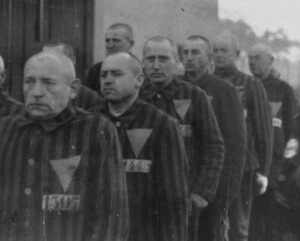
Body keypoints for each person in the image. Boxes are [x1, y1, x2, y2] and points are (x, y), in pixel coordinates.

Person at [0, 51, 129, 241]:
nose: (36, 92)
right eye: (29, 81)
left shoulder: (96, 130)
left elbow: (111, 215)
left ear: (73, 88)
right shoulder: (6, 128)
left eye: (48, 83)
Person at [93, 52, 188, 241]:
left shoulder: (162, 125)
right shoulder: (88, 123)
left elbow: (174, 198)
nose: (108, 80)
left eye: (117, 74)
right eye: (104, 75)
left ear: (139, 80)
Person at [140, 36, 225, 241]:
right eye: (150, 59)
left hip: (182, 198)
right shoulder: (136, 96)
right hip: (140, 198)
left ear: (176, 61)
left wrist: (201, 192)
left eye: (164, 58)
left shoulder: (194, 95)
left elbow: (214, 146)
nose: (157, 65)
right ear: (142, 63)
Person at [181, 35, 247, 241]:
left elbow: (235, 146)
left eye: (195, 52)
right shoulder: (175, 87)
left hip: (212, 190)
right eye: (185, 52)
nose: (189, 58)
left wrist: (225, 195)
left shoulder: (224, 90)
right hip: (180, 184)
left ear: (208, 57)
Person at [213, 31, 273, 241]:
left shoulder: (250, 85)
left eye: (224, 50)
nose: (219, 55)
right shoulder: (206, 85)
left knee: (239, 227)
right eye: (215, 51)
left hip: (243, 167)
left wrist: (263, 170)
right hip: (213, 166)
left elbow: (263, 130)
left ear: (237, 53)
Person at [248, 42, 299, 241]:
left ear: (271, 61)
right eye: (250, 58)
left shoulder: (283, 90)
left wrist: (288, 167)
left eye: (258, 58)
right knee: (251, 221)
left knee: (271, 223)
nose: (253, 62)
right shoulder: (245, 87)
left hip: (277, 169)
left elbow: (292, 131)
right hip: (253, 166)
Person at [43, 42, 101, 109]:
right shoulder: (35, 93)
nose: (49, 64)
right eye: (45, 59)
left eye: (56, 59)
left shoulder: (89, 97)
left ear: (72, 61)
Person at [86, 23, 134, 93]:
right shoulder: (95, 71)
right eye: (107, 41)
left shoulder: (138, 70)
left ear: (131, 44)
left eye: (116, 40)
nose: (110, 45)